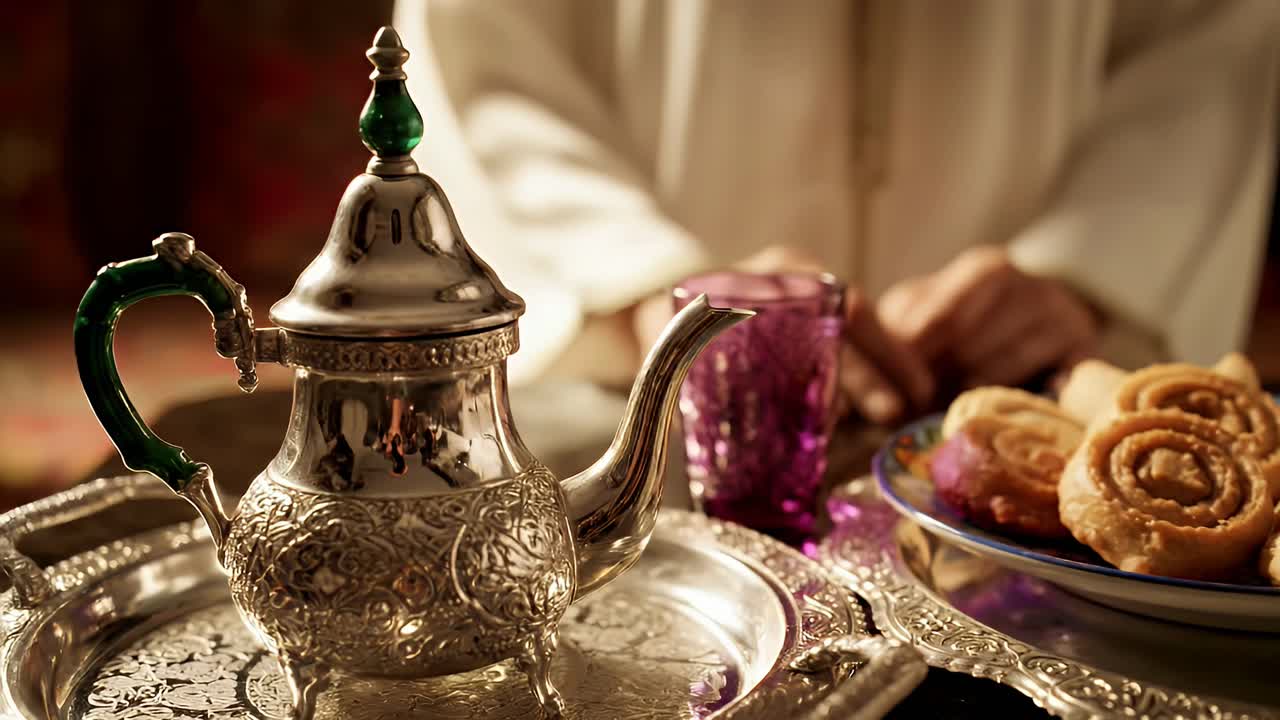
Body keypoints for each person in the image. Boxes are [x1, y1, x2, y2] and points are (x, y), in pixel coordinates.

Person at [393, 0, 1280, 424]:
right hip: (653, 400)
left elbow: (1207, 40)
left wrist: (1093, 260)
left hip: (1017, 386)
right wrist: (638, 279)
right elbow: (489, 47)